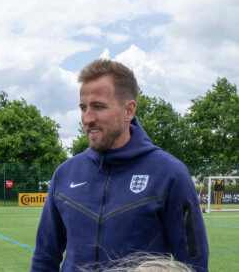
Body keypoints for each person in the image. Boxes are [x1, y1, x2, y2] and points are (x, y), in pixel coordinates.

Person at [30, 59, 209, 272]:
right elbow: (44, 258)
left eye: (98, 107)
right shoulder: (65, 174)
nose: (87, 118)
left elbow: (193, 264)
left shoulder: (170, 173)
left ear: (128, 111)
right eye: (83, 108)